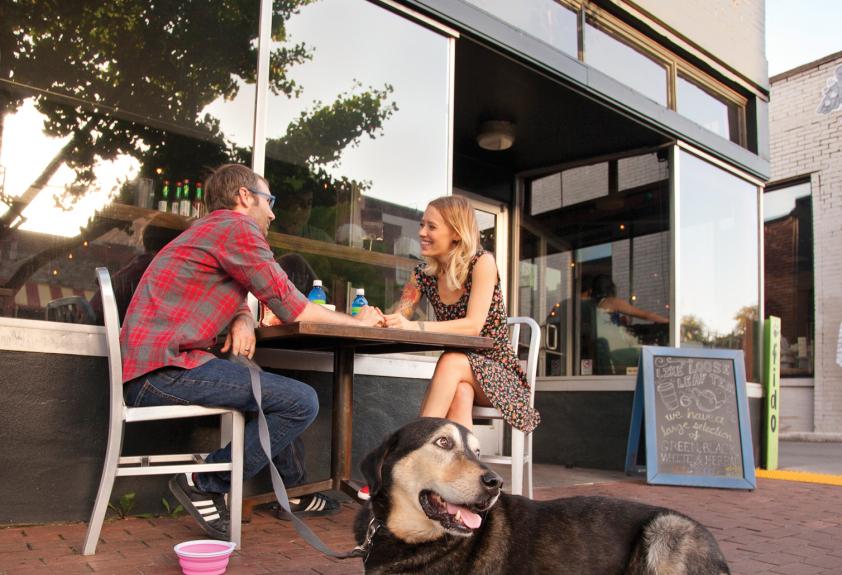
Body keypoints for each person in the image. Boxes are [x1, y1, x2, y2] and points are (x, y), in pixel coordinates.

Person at [119, 163, 384, 539]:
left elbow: (233, 286)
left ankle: (293, 492)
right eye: (269, 200)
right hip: (163, 372)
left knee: (275, 391)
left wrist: (241, 317)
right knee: (300, 401)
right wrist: (360, 323)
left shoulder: (208, 231)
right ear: (245, 197)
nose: (273, 212)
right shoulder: (237, 227)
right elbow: (291, 304)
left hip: (161, 367)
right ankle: (203, 480)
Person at [380, 195, 539, 490]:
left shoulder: (482, 262)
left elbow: (474, 326)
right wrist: (373, 317)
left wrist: (416, 326)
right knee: (460, 393)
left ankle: (409, 459)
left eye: (431, 226)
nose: (422, 232)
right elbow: (399, 318)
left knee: (452, 359)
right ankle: (465, 485)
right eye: (422, 225)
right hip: (462, 378)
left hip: (500, 376)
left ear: (456, 233)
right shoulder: (422, 275)